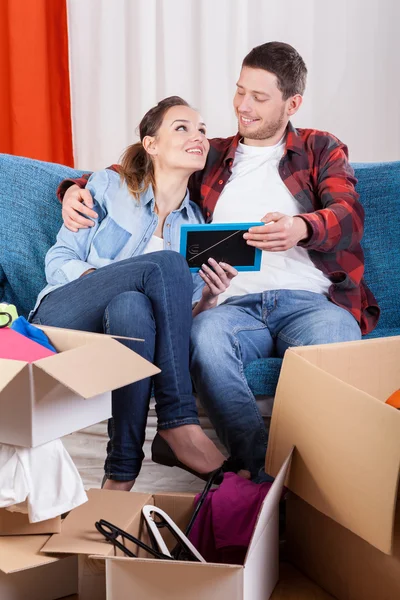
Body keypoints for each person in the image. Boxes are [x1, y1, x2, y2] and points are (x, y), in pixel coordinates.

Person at [58, 42, 380, 480]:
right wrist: (72, 188)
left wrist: (301, 228)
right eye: (240, 91)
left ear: (293, 103)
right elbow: (137, 170)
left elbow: (349, 214)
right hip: (231, 308)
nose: (243, 107)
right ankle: (255, 476)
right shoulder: (210, 154)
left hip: (309, 302)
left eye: (259, 98)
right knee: (204, 341)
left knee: (336, 345)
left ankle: (315, 481)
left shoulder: (319, 148)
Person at [30, 96, 238, 491]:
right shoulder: (109, 186)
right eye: (182, 127)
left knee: (133, 308)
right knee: (164, 269)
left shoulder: (195, 227)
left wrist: (208, 300)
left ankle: (120, 475)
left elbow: (173, 328)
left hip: (123, 335)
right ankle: (179, 424)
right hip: (63, 317)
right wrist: (109, 278)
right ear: (151, 144)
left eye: (202, 130)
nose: (197, 136)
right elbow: (58, 259)